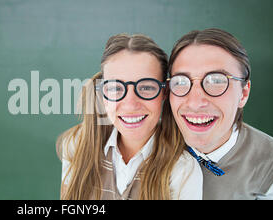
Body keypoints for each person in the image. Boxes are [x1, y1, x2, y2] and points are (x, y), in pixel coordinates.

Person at [57, 33, 202, 200]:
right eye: (116, 88)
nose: (131, 104)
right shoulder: (78, 145)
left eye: (146, 87)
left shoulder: (182, 170)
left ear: (164, 91)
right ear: (104, 93)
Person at [167, 28, 273, 199]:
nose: (195, 102)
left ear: (243, 94)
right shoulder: (145, 147)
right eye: (180, 82)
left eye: (216, 80)